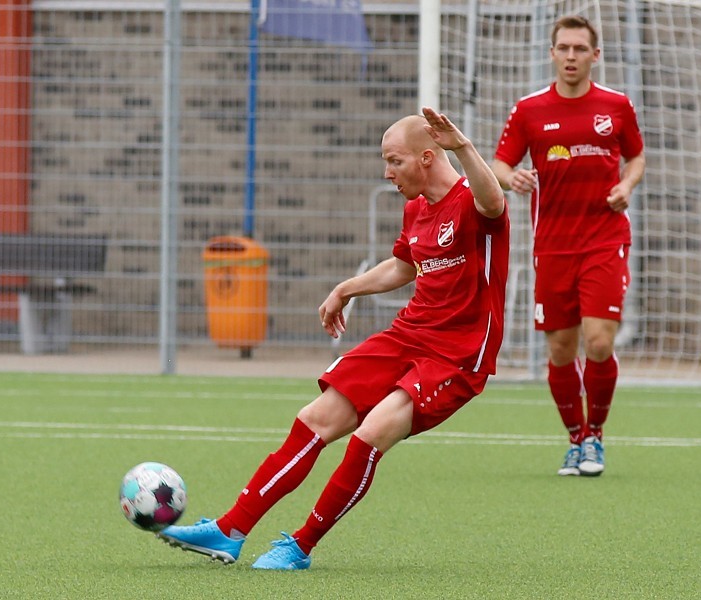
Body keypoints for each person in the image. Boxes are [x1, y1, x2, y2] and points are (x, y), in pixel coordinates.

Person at [156, 107, 510, 570]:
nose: (387, 173)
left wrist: (463, 147)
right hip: (409, 334)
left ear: (428, 157)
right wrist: (346, 288)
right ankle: (230, 530)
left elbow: (495, 203)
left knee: (368, 436)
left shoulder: (472, 200)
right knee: (314, 419)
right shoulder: (415, 209)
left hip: (457, 355)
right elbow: (404, 266)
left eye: (394, 161)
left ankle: (300, 546)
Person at [491, 15, 645, 477]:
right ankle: (574, 438)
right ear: (552, 54)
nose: (572, 56)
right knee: (561, 350)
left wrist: (627, 185)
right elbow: (499, 162)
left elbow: (636, 156)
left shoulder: (616, 106)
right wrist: (511, 176)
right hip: (552, 246)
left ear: (595, 55)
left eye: (581, 48)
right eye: (565, 48)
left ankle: (595, 435)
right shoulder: (529, 109)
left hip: (605, 240)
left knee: (598, 341)